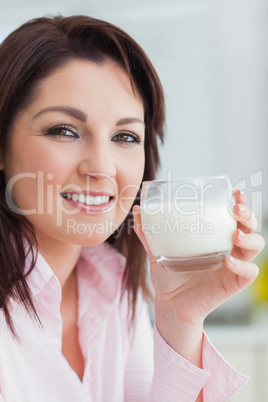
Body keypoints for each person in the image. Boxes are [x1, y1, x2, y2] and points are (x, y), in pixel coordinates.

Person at [0, 15, 264, 402]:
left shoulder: (112, 286)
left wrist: (180, 319)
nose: (102, 167)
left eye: (125, 136)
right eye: (65, 130)